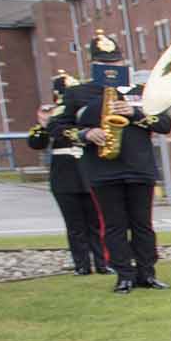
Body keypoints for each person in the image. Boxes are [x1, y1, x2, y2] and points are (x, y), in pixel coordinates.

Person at [64, 32, 171, 293]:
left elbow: (164, 124)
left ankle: (147, 273)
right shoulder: (78, 93)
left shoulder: (140, 92)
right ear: (93, 65)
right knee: (114, 225)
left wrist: (135, 113)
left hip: (139, 167)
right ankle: (123, 275)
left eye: (115, 63)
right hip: (104, 169)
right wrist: (85, 133)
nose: (111, 68)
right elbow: (59, 128)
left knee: (143, 224)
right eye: (105, 64)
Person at [25, 73, 106, 275]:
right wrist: (43, 125)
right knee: (75, 225)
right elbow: (37, 143)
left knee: (95, 223)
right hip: (65, 176)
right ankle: (82, 265)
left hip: (87, 173)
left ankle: (102, 263)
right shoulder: (54, 119)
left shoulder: (81, 113)